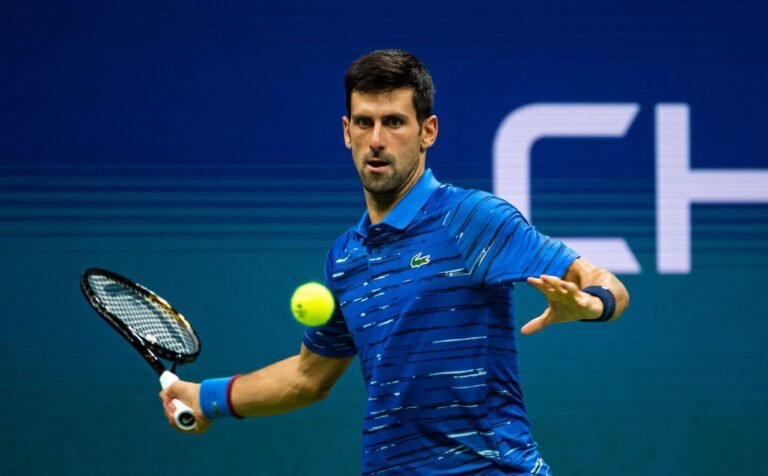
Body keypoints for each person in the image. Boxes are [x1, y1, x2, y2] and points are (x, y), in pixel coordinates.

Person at [161, 49, 629, 475]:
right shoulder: (345, 258)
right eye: (364, 123)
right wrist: (205, 398)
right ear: (346, 132)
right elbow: (308, 377)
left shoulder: (471, 218)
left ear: (428, 131)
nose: (377, 140)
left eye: (394, 122)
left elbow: (603, 281)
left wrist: (593, 303)